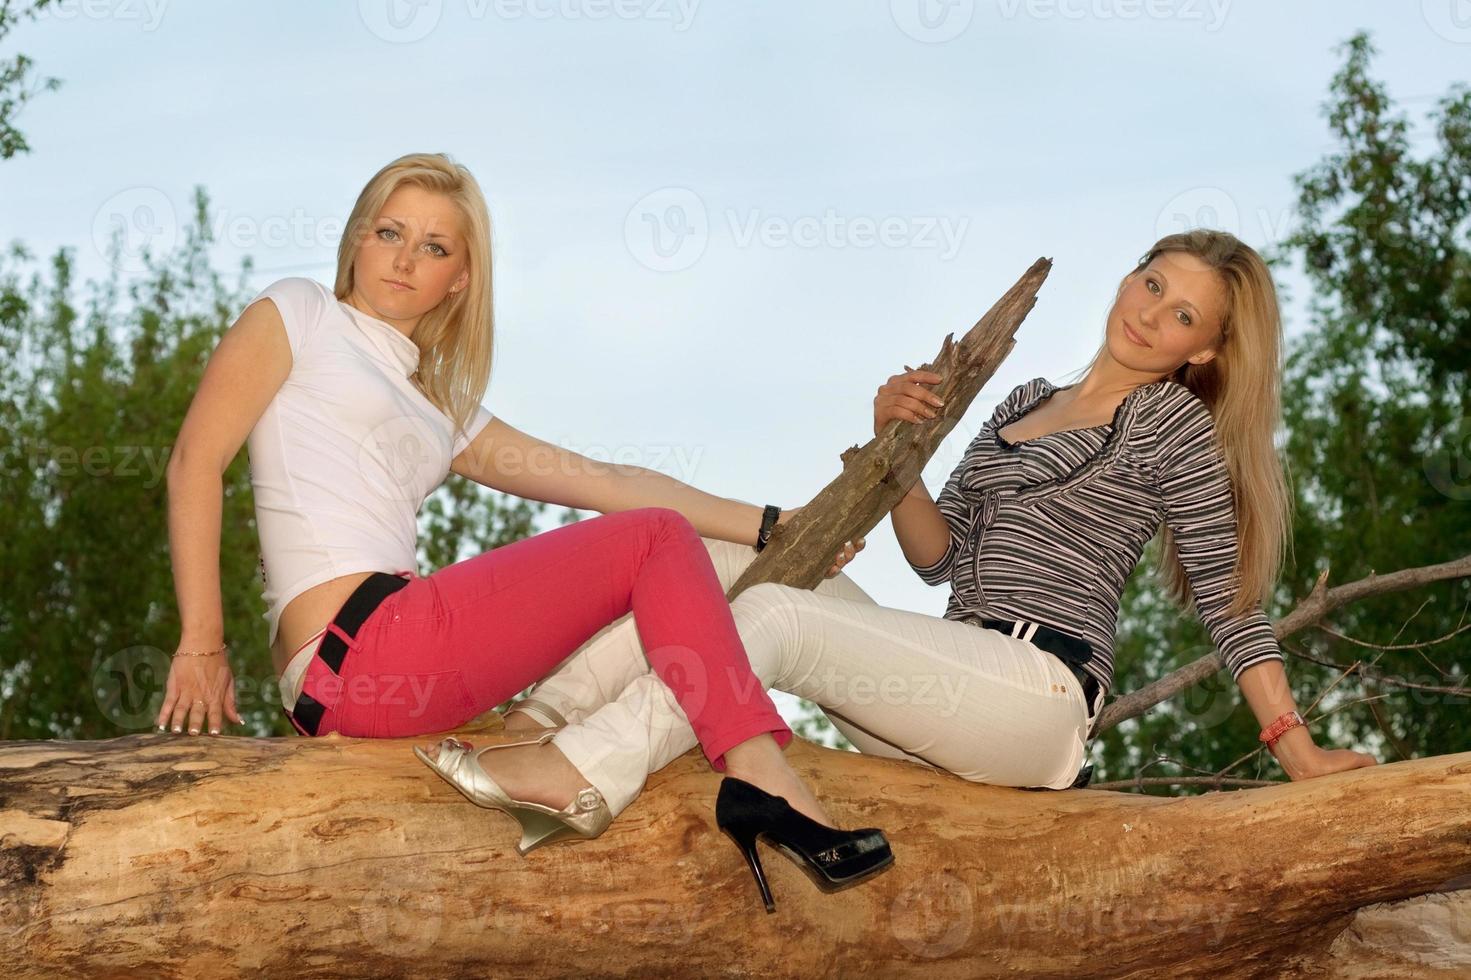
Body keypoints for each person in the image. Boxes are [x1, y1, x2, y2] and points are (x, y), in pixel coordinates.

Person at [159, 152, 892, 912]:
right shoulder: (301, 312)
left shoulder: (441, 407)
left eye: (434, 247)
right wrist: (202, 642)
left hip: (397, 670)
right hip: (357, 649)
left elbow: (605, 481)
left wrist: (776, 525)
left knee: (669, 553)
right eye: (389, 232)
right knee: (654, 541)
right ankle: (756, 775)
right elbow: (194, 461)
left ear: (461, 279)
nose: (405, 259)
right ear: (356, 240)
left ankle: (540, 741)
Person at [490, 229, 1379, 810]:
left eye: (1181, 313)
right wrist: (896, 444)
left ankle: (579, 776)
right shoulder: (1025, 398)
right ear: (1128, 273)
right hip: (943, 691)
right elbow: (936, 557)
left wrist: (1292, 750)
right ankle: (533, 725)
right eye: (1151, 282)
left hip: (1036, 697)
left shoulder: (1170, 424)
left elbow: (1226, 605)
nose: (1149, 313)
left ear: (1206, 349)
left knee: (772, 618)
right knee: (722, 555)